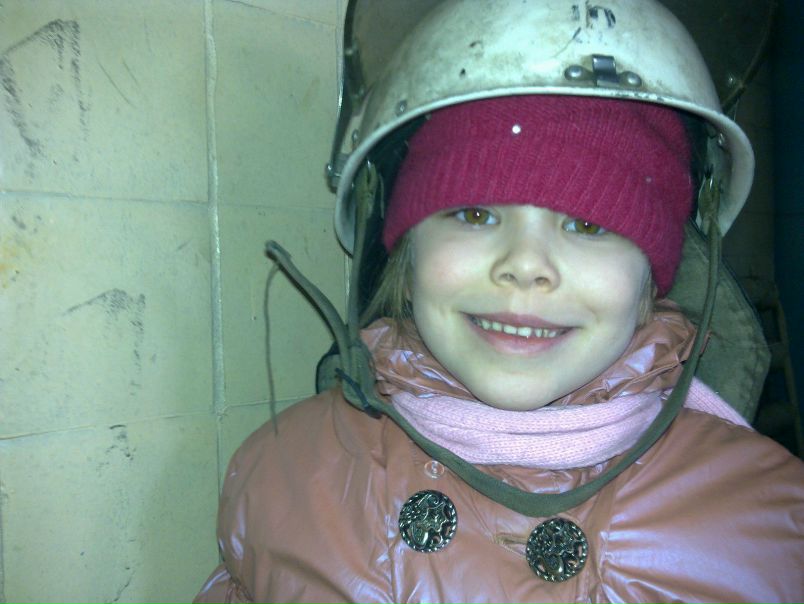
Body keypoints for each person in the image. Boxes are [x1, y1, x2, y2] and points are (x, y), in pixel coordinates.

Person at [195, 1, 804, 602]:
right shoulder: (284, 482)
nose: (525, 265)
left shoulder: (773, 529)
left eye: (587, 224)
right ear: (404, 250)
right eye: (475, 214)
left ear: (654, 273)